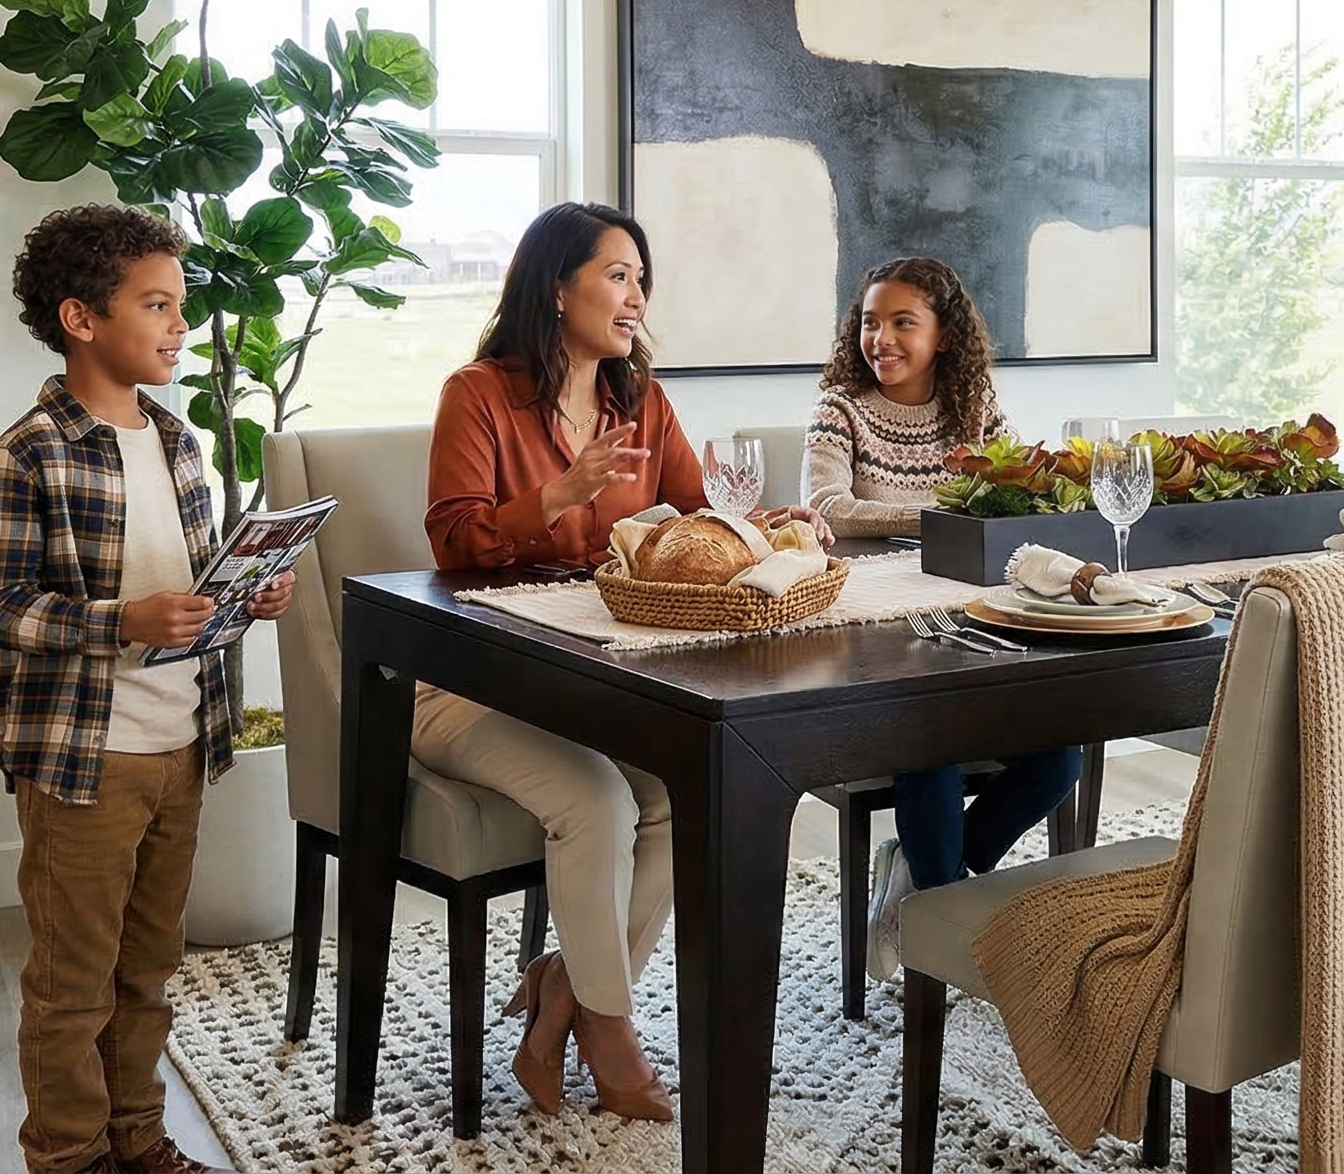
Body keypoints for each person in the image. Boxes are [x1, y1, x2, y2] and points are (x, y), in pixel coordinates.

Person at [421, 200, 822, 1122]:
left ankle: (564, 994)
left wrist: (776, 525)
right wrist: (556, 495)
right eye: (617, 275)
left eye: (642, 278)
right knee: (598, 801)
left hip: (590, 682)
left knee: (682, 795)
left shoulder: (637, 397)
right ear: (557, 289)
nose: (636, 295)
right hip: (471, 682)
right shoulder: (476, 393)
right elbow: (450, 540)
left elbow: (700, 512)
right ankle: (608, 1033)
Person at [0, 204, 296, 1174]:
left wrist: (245, 594)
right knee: (75, 983)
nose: (178, 325)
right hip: (84, 763)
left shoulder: (179, 442)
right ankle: (68, 1156)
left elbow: (187, 595)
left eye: (179, 305)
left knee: (150, 973)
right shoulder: (27, 454)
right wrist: (120, 620)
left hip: (181, 745)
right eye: (156, 305)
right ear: (81, 319)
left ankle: (140, 1141)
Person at [801, 256, 1083, 985]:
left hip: (973, 623)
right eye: (869, 321)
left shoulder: (975, 404)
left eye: (902, 322)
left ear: (944, 336)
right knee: (934, 742)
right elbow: (829, 510)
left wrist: (975, 516)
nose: (880, 338)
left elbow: (1013, 495)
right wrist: (948, 514)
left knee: (1062, 757)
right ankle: (941, 928)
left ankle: (922, 891)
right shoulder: (842, 406)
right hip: (874, 634)